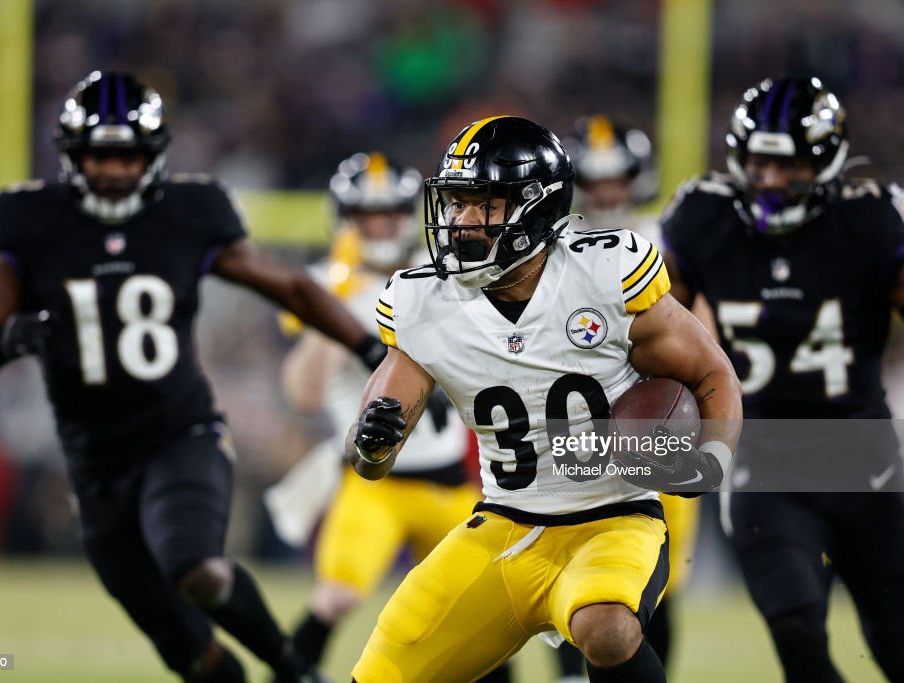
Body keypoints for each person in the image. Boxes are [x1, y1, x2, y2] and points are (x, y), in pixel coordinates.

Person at [0, 70, 388, 683]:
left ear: (152, 156)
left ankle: (294, 670)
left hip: (179, 436)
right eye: (99, 157)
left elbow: (289, 285)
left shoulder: (189, 210)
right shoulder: (29, 219)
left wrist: (370, 347)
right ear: (71, 158)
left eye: (127, 156)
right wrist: (3, 341)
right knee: (183, 646)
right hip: (94, 465)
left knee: (198, 568)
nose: (113, 172)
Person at [346, 115, 743, 683]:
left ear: (534, 207)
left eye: (482, 204)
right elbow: (370, 461)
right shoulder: (421, 301)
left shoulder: (603, 274)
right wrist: (373, 442)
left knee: (605, 625)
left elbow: (712, 374)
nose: (461, 221)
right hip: (503, 525)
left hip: (614, 517)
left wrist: (713, 463)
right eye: (456, 204)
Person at [661, 76, 904, 682]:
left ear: (826, 161)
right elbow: (657, 333)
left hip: (866, 465)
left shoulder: (868, 221)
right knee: (796, 629)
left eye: (787, 163)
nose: (769, 179)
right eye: (758, 161)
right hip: (765, 465)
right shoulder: (703, 217)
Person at [270, 152, 491, 677]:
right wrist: (337, 301)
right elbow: (302, 393)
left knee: (482, 610)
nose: (379, 226)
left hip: (450, 481)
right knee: (338, 597)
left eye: (388, 214)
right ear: (343, 219)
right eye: (366, 216)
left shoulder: (444, 276)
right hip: (373, 482)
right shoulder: (326, 283)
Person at [567, 114, 697, 674]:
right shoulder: (552, 245)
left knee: (656, 572)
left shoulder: (663, 239)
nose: (605, 194)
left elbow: (700, 335)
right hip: (575, 420)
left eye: (615, 179)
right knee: (570, 560)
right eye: (594, 183)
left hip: (657, 422)